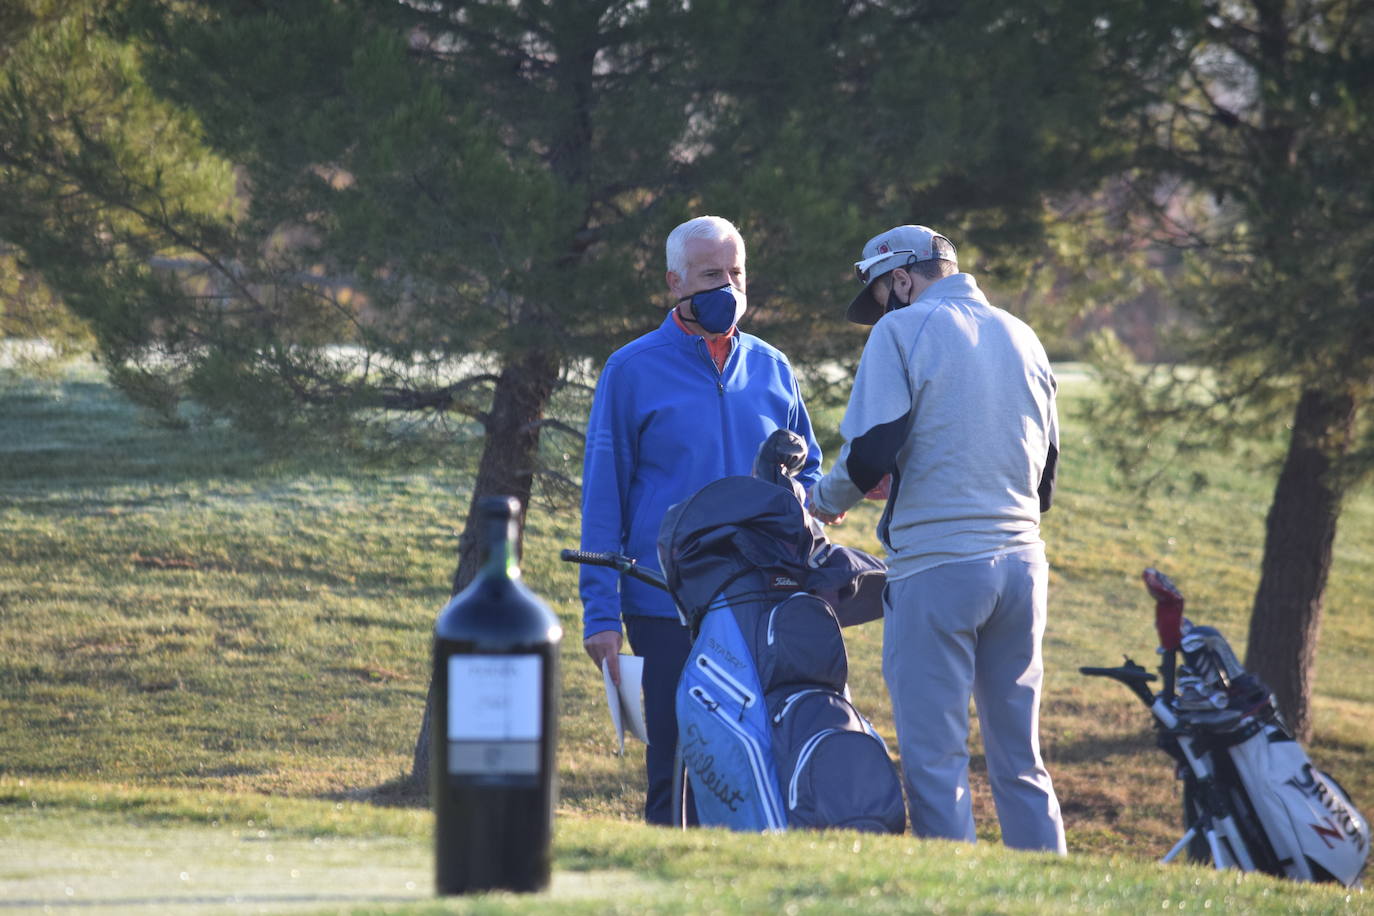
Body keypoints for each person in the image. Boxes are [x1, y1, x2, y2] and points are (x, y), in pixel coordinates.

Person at [808, 224, 1066, 853]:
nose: (879, 313)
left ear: (902, 277)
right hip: (1022, 565)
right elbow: (1046, 476)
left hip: (938, 571)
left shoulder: (903, 330)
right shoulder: (1023, 334)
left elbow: (871, 451)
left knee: (936, 762)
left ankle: (954, 897)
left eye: (879, 295)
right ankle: (1054, 894)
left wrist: (820, 502)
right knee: (1020, 759)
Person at [579, 215, 822, 825]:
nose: (728, 286)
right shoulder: (630, 370)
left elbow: (811, 472)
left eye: (737, 273)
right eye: (711, 274)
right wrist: (600, 612)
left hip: (756, 599)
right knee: (675, 766)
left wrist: (800, 504)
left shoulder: (773, 367)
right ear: (674, 282)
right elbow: (603, 495)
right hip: (662, 602)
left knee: (752, 758)